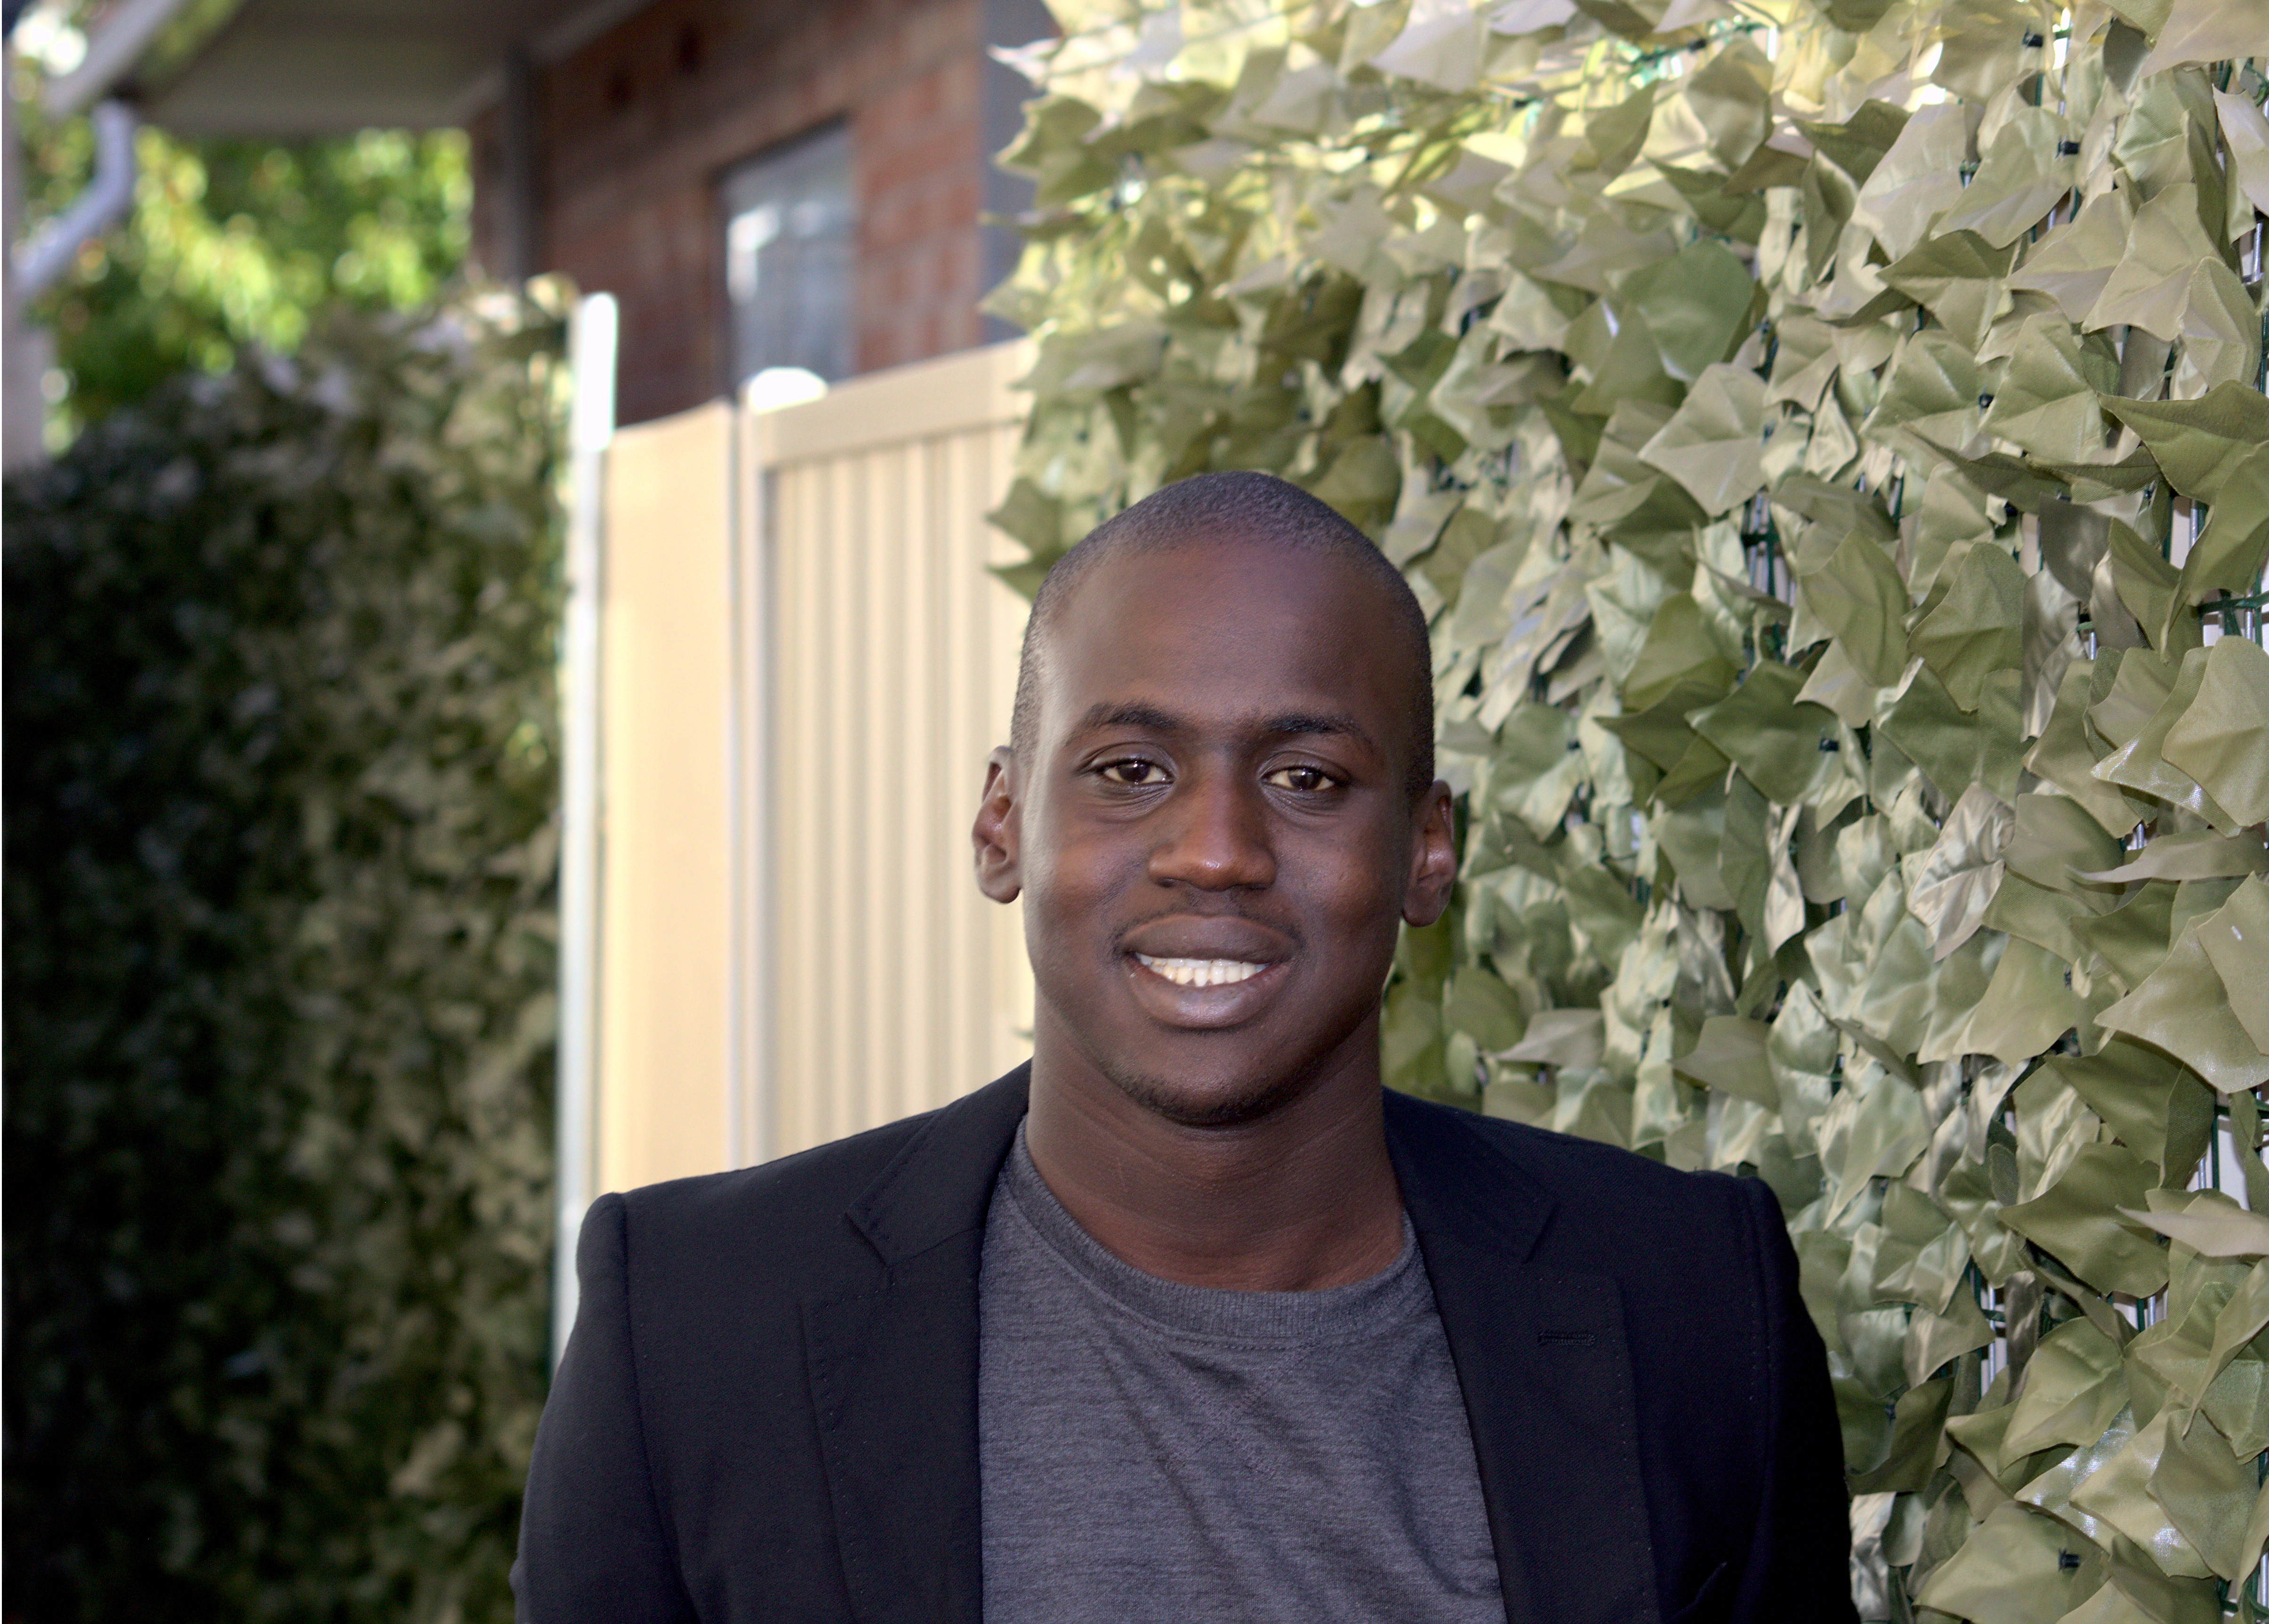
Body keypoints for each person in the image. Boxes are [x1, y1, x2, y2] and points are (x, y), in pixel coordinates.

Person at [512, 471, 1857, 1624]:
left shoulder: (1688, 1305)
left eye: (1307, 778)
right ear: (1000, 826)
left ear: (1426, 850)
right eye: (1128, 770)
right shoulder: (694, 1328)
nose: (1215, 848)